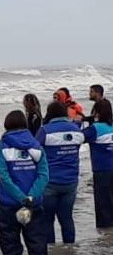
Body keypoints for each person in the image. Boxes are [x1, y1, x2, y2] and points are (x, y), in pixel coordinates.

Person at [0, 110, 50, 255]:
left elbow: (4, 177)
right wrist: (31, 196)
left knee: (9, 243)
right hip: (34, 203)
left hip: (9, 204)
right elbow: (44, 175)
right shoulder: (36, 146)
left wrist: (20, 197)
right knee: (37, 242)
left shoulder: (2, 146)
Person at [36, 102, 84, 244]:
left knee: (47, 219)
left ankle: (51, 250)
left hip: (50, 182)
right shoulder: (76, 130)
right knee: (67, 218)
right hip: (71, 181)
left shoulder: (45, 130)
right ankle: (69, 249)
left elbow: (35, 152)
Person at [82, 98, 113, 230]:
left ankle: (105, 235)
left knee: (103, 205)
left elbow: (78, 137)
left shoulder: (95, 129)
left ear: (97, 113)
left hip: (102, 171)